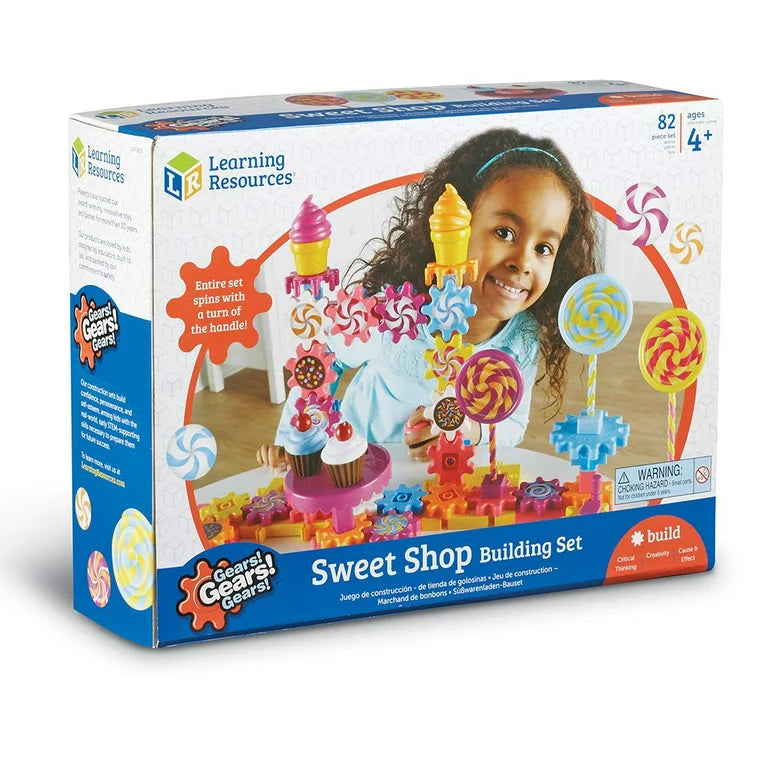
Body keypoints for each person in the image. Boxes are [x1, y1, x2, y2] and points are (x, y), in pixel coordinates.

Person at [257, 128, 597, 470]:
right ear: (456, 230)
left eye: (543, 248)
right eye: (504, 232)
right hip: (357, 469)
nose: (523, 262)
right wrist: (297, 439)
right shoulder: (394, 317)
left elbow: (512, 426)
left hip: (435, 484)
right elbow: (322, 361)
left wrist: (469, 429)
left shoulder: (521, 337)